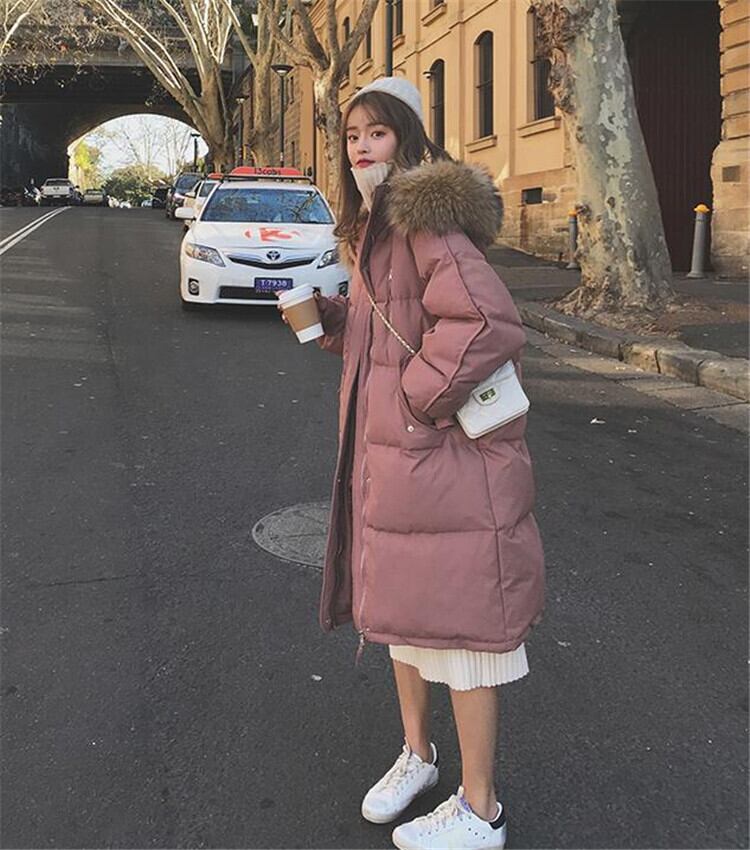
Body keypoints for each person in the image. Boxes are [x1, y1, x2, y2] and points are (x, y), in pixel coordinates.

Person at [284, 77, 545, 850]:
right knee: (404, 621)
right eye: (352, 135)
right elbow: (397, 328)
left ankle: (481, 808)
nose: (362, 146)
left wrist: (415, 402)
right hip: (401, 470)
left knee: (464, 641)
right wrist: (329, 319)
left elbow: (486, 324)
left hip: (445, 467)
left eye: (378, 132)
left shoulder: (422, 220)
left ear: (407, 137)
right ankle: (418, 756)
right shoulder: (375, 227)